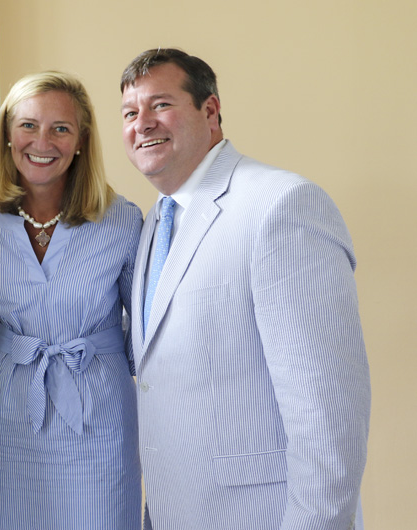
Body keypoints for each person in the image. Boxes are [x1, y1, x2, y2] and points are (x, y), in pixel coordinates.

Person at [120, 48, 371, 530]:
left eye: (161, 104)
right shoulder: (156, 222)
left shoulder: (281, 205)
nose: (142, 123)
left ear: (210, 110)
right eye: (130, 113)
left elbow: (328, 414)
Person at [0, 72, 143, 529]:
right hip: (12, 416)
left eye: (60, 128)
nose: (42, 142)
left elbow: (147, 331)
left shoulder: (122, 221)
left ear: (82, 140)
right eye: (28, 125)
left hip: (100, 417)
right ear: (7, 135)